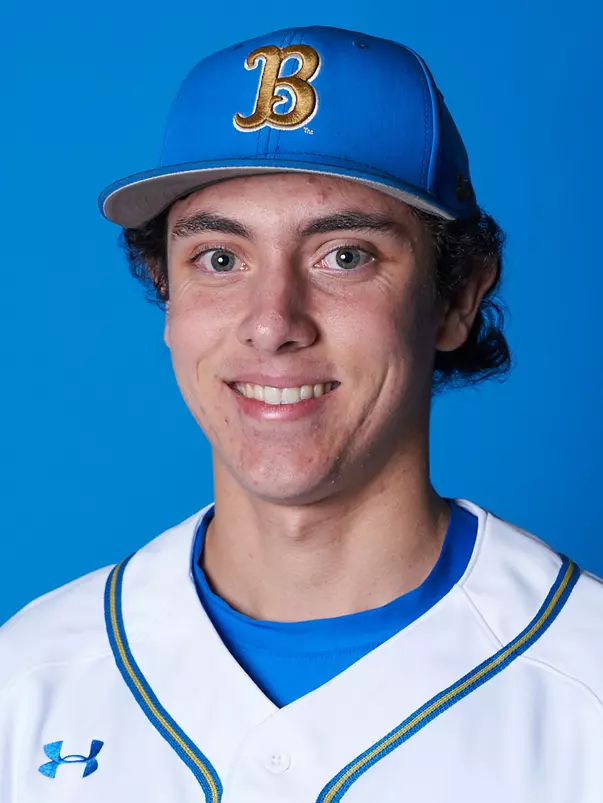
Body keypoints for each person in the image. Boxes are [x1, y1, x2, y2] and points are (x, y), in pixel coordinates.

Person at [1, 24, 602, 803]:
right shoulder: (29, 678)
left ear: (456, 296)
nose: (272, 320)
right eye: (220, 259)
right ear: (166, 295)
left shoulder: (584, 680)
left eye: (344, 255)